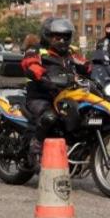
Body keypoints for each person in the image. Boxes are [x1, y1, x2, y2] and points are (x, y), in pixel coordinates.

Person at [21, 17, 88, 159]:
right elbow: (30, 64)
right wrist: (43, 76)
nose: (62, 41)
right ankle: (36, 145)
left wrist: (96, 70)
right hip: (40, 96)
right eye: (57, 37)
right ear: (47, 36)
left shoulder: (71, 53)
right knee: (50, 117)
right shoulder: (36, 50)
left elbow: (86, 65)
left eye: (65, 37)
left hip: (66, 96)